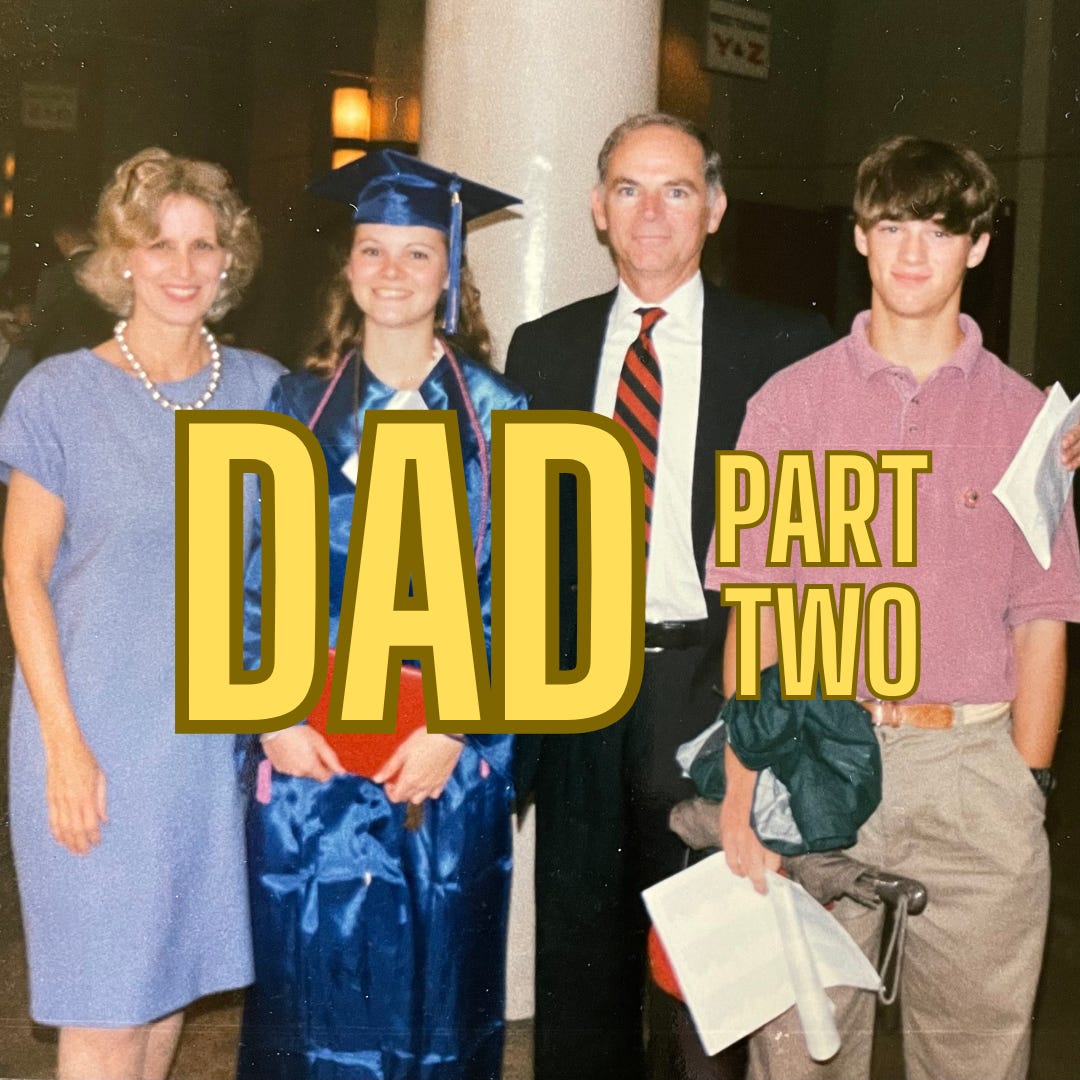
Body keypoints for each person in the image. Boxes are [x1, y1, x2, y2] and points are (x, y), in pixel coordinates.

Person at [712, 135, 1080, 1080]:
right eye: (892, 227)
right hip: (816, 750)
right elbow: (758, 613)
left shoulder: (1028, 422)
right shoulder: (787, 406)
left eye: (940, 230)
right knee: (800, 1056)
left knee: (973, 1062)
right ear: (860, 238)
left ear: (979, 247)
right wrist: (743, 795)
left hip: (972, 774)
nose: (913, 252)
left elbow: (1042, 618)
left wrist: (1025, 786)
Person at [504, 113, 833, 1080]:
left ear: (715, 208)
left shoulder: (787, 345)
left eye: (677, 189)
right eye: (630, 189)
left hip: (715, 690)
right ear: (597, 209)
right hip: (578, 698)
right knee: (579, 976)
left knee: (710, 997)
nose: (651, 211)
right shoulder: (544, 349)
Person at [236, 150, 528, 1080]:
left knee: (436, 990)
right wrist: (270, 717)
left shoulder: (500, 414)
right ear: (349, 266)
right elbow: (250, 577)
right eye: (372, 250)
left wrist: (459, 729)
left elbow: (520, 595)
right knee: (309, 988)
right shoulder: (295, 406)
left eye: (416, 253)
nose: (391, 271)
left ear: (449, 272)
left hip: (439, 756)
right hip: (311, 746)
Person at [0, 146, 282, 1080]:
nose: (183, 266)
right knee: (105, 1009)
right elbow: (22, 574)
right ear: (121, 258)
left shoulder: (265, 391)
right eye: (159, 244)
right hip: (92, 735)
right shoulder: (59, 394)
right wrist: (64, 747)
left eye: (204, 245)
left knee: (165, 1000)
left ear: (229, 261)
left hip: (208, 752)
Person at [29, 217, 114, 361]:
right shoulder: (113, 271)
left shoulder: (55, 275)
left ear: (64, 238)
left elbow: (43, 325)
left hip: (65, 358)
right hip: (108, 358)